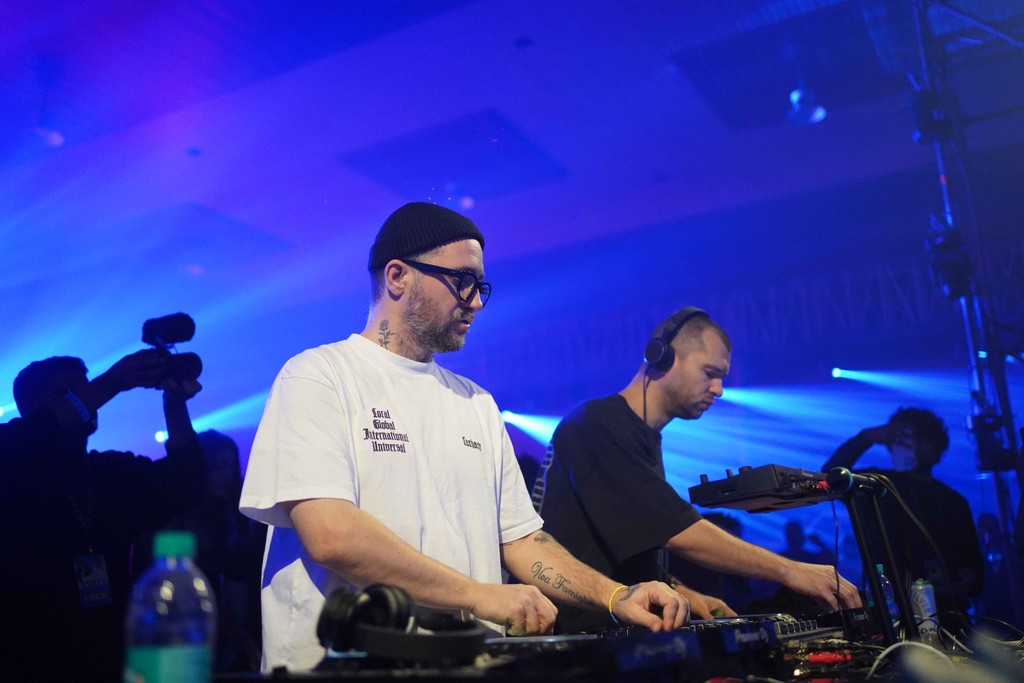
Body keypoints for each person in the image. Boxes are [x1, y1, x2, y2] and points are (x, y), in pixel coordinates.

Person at [239, 202, 688, 672]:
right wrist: (478, 596)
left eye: (481, 286)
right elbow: (331, 535)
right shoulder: (318, 375)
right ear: (397, 276)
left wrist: (617, 596)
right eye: (462, 280)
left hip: (469, 666)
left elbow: (523, 542)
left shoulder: (477, 404)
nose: (475, 301)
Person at [535, 308, 862, 633]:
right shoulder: (599, 425)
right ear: (662, 358)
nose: (718, 389)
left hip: (615, 636)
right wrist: (791, 571)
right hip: (584, 646)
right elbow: (678, 530)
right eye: (710, 372)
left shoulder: (632, 433)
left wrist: (680, 591)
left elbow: (624, 542)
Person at [0, 351, 205, 683]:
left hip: (112, 657)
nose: (87, 401)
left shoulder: (109, 473)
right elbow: (35, 434)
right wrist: (114, 381)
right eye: (69, 394)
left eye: (85, 390)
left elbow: (187, 483)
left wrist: (175, 404)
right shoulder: (10, 466)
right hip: (26, 660)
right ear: (35, 406)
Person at [822, 407, 984, 622]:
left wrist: (970, 578)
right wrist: (867, 437)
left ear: (937, 446)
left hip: (948, 611)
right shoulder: (876, 485)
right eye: (904, 439)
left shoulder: (954, 501)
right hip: (893, 609)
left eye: (922, 439)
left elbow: (973, 561)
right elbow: (830, 478)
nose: (913, 446)